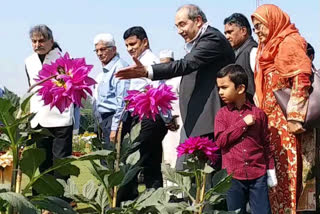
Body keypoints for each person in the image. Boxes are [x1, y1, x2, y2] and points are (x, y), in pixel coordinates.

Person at [115, 4, 235, 170]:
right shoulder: (199, 41)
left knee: (201, 171)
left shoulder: (211, 39)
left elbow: (186, 64)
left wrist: (147, 71)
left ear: (198, 21)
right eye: (177, 26)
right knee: (188, 170)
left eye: (182, 24)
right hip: (197, 115)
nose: (179, 31)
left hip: (208, 116)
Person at [251, 4, 315, 213]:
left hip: (290, 126)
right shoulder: (266, 49)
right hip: (271, 124)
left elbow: (301, 78)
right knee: (277, 178)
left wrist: (295, 117)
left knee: (292, 175)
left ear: (273, 21)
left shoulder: (289, 42)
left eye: (260, 26)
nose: (257, 31)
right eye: (255, 28)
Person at [25, 25, 79, 207]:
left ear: (51, 40)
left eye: (41, 40)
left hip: (61, 118)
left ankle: (63, 202)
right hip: (38, 119)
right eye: (34, 41)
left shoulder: (63, 59)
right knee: (41, 163)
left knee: (60, 163)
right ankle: (42, 202)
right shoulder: (29, 61)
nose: (38, 44)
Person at [214, 64, 276, 214]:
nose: (220, 92)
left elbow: (266, 143)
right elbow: (220, 142)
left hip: (258, 174)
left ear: (240, 89)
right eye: (219, 88)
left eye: (224, 87)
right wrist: (242, 124)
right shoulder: (222, 115)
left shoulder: (259, 114)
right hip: (233, 176)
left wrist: (270, 169)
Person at [117, 26, 169, 203]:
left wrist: (168, 118)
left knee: (133, 158)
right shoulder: (138, 62)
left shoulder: (150, 63)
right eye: (127, 46)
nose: (130, 49)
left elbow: (160, 91)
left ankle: (122, 199)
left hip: (149, 116)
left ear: (144, 42)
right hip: (141, 116)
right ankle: (155, 200)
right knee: (151, 162)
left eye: (133, 44)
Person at [92, 33, 130, 151]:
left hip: (114, 118)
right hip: (105, 120)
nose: (99, 54)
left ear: (113, 49)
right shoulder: (106, 70)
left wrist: (115, 128)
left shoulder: (119, 68)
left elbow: (122, 100)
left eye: (103, 49)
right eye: (97, 50)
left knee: (113, 158)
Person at [224, 13, 257, 99]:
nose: (227, 37)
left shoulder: (253, 52)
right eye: (225, 33)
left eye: (230, 32)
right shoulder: (235, 53)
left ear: (243, 31)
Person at [159, 49, 182, 170]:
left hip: (179, 121)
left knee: (177, 154)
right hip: (166, 123)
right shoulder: (160, 82)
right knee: (167, 155)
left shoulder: (179, 79)